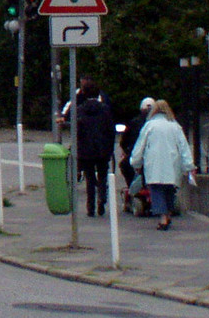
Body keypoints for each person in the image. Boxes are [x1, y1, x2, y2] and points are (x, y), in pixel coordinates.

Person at [130, 98, 195, 230]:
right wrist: (189, 166)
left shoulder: (149, 126)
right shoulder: (175, 126)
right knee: (169, 190)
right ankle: (168, 213)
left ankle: (163, 218)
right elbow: (183, 147)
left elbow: (140, 146)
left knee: (156, 190)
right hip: (172, 163)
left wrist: (135, 162)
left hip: (154, 163)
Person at [75, 79, 116, 216]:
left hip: (86, 150)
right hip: (102, 148)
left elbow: (77, 132)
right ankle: (102, 198)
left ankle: (90, 206)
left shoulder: (80, 110)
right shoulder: (105, 110)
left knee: (89, 178)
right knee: (103, 175)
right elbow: (110, 130)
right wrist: (110, 148)